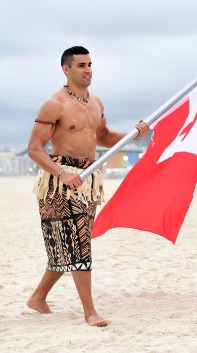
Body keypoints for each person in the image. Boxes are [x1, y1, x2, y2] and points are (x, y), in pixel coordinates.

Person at [27, 46, 150, 327]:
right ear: (66, 69)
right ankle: (90, 312)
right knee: (78, 244)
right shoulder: (54, 104)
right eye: (81, 65)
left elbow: (105, 137)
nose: (88, 69)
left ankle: (38, 297)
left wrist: (135, 134)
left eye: (90, 64)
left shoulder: (97, 103)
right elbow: (34, 148)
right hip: (59, 182)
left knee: (69, 245)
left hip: (88, 180)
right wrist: (62, 174)